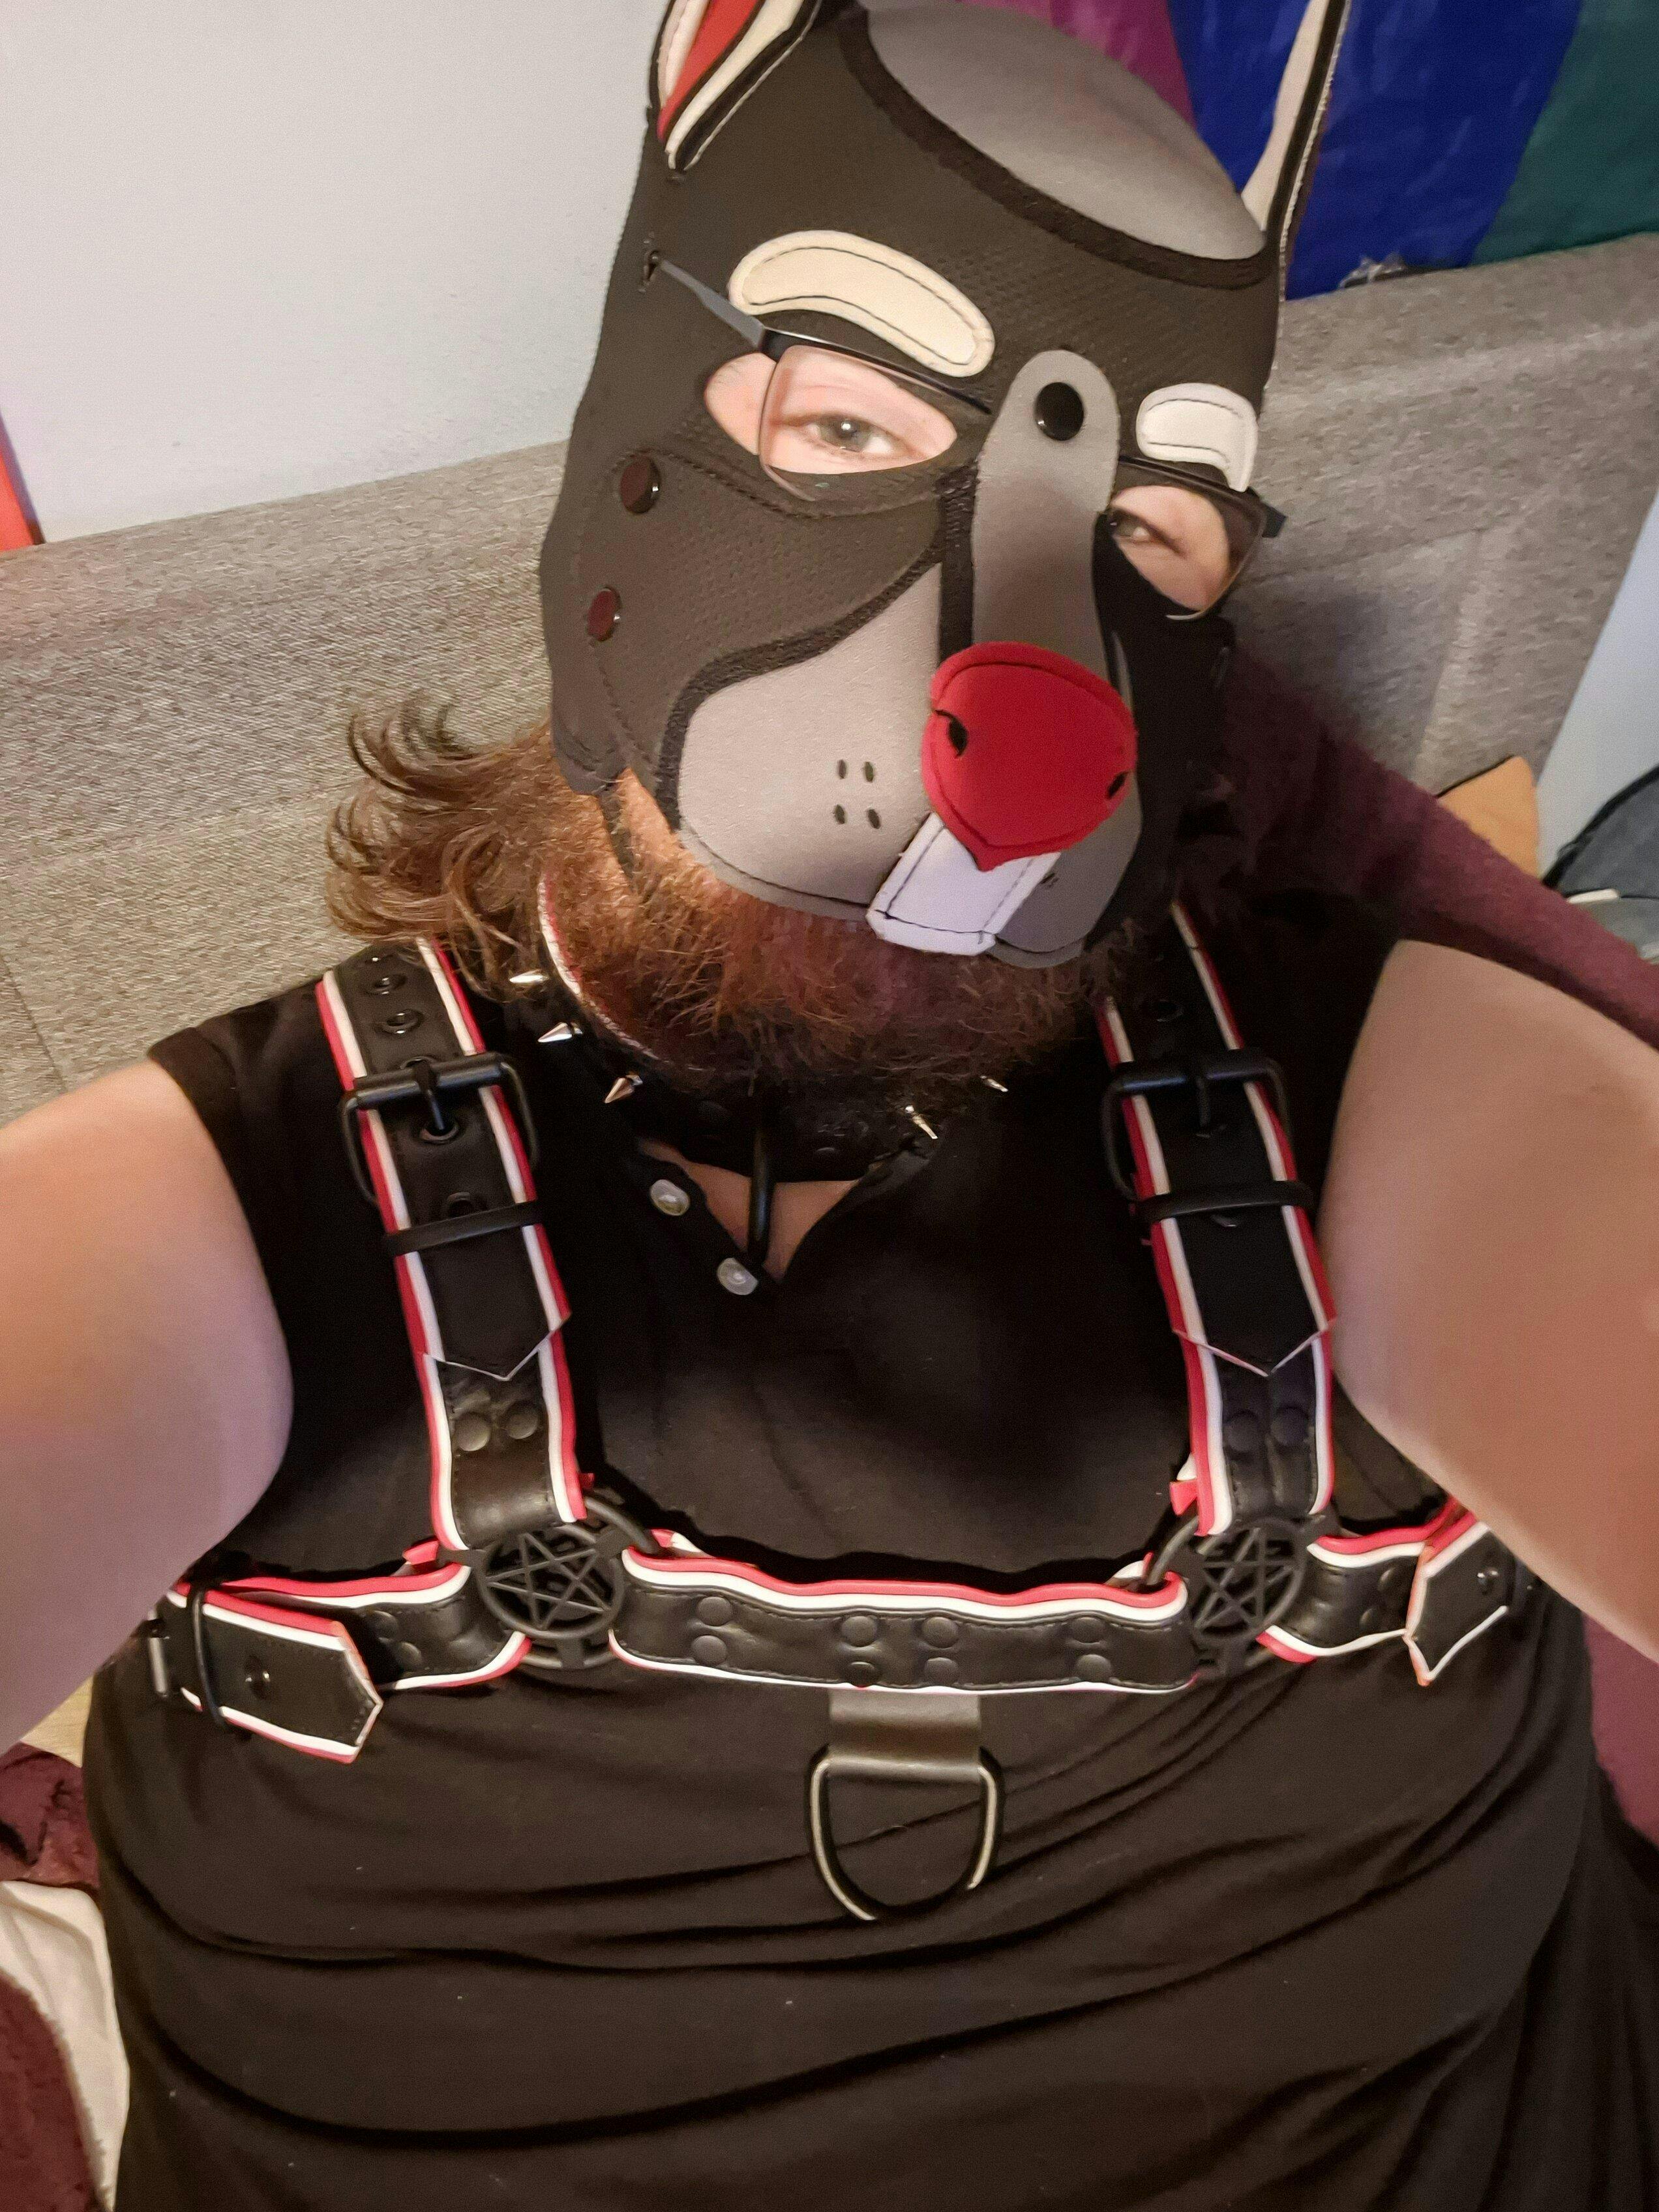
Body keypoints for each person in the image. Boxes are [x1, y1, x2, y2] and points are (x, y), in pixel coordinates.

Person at [3, 3, 1657, 2204]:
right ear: (624, 445)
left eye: (1156, 532)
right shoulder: (223, 1212)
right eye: (854, 414)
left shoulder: (1381, 1075)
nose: (1021, 654)